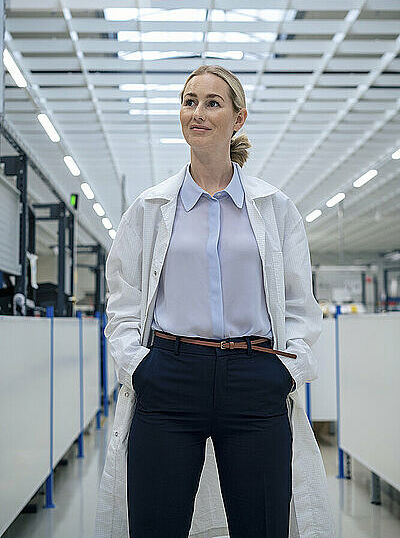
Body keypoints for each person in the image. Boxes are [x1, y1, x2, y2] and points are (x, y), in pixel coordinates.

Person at [94, 65, 336, 538]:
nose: (197, 112)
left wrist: (284, 371)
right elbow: (122, 304)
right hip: (169, 379)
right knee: (155, 526)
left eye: (211, 103)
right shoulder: (148, 209)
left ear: (238, 118)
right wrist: (142, 368)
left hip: (254, 380)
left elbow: (300, 306)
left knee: (263, 526)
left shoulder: (275, 208)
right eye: (189, 102)